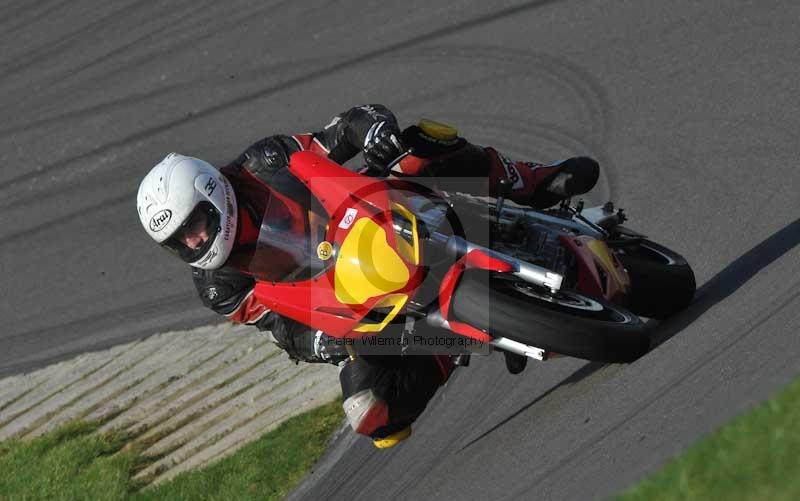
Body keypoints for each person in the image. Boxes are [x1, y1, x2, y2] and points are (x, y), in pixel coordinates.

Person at [136, 105, 599, 447]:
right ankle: (467, 336)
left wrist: (375, 130)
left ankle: (530, 180)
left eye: (196, 225)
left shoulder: (262, 164)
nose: (195, 243)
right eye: (181, 241)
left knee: (417, 147)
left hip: (375, 218)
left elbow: (344, 129)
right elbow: (280, 327)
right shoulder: (220, 286)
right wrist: (318, 344)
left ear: (211, 192)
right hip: (352, 295)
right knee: (370, 414)